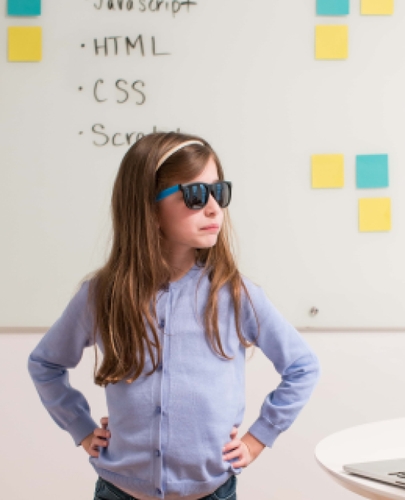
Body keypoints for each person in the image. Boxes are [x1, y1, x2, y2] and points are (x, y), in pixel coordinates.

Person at [27, 131, 321, 500]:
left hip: (211, 491)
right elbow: (45, 364)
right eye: (197, 195)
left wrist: (259, 437)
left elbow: (302, 367)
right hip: (119, 491)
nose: (214, 207)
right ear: (148, 208)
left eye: (220, 191)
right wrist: (81, 427)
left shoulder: (233, 293)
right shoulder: (103, 295)